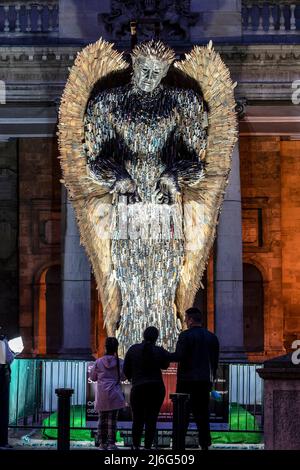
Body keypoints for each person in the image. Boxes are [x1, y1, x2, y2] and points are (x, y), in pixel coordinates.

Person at [171, 308, 219, 450]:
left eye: (186, 318)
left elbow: (179, 356)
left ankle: (179, 445)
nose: (184, 320)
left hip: (186, 381)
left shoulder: (185, 336)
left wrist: (163, 355)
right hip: (204, 382)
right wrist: (211, 380)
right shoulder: (212, 337)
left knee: (182, 416)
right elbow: (215, 362)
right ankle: (205, 444)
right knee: (203, 415)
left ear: (191, 320)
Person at [123, 326, 170, 450]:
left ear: (143, 335)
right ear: (156, 337)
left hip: (138, 388)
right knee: (152, 419)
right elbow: (165, 365)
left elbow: (126, 370)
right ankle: (148, 447)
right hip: (156, 388)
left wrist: (132, 378)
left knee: (137, 419)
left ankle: (136, 445)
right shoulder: (159, 351)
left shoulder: (133, 349)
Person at [90, 337, 126, 450]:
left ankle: (102, 443)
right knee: (112, 420)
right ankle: (111, 443)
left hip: (102, 395)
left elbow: (93, 377)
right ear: (116, 348)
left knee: (102, 419)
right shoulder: (120, 362)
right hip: (115, 394)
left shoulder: (98, 362)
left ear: (105, 348)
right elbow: (124, 377)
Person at [0, 328, 15, 449]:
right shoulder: (2, 340)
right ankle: (2, 442)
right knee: (3, 409)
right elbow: (9, 358)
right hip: (2, 375)